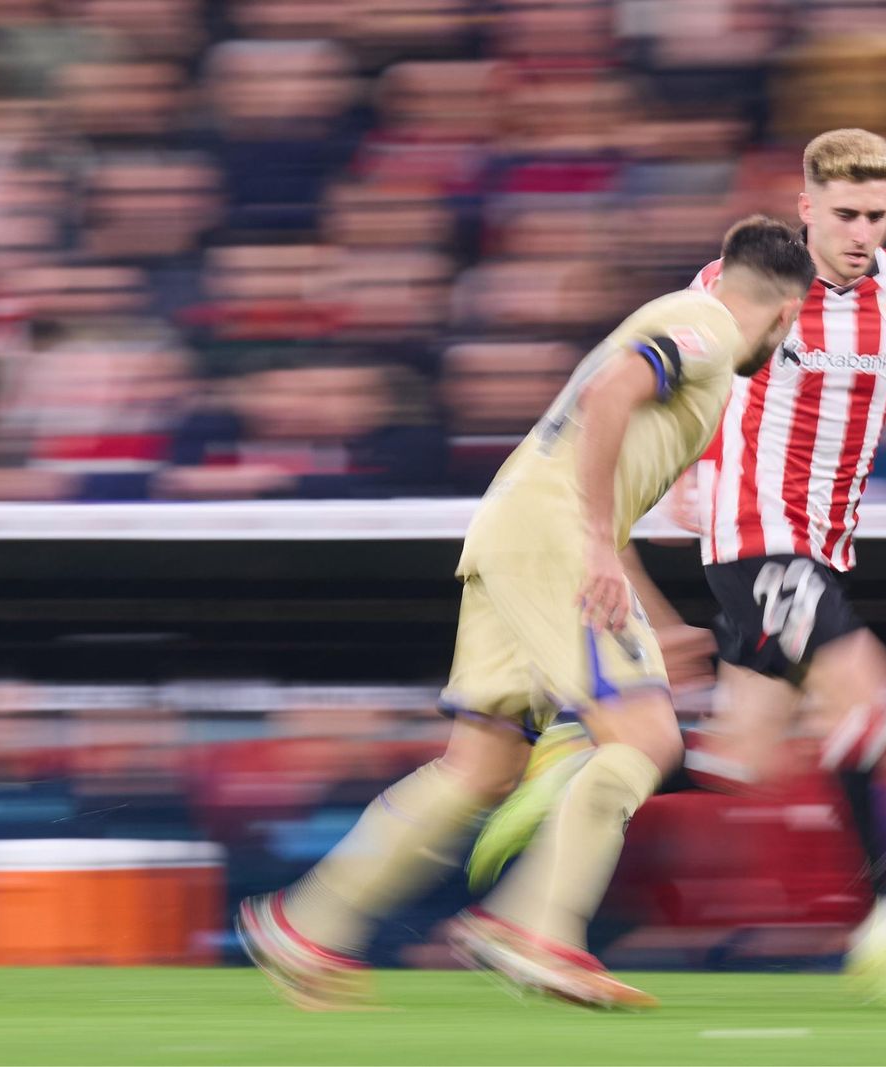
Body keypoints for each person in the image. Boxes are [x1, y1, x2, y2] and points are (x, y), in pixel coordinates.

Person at [236, 216, 815, 1010]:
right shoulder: (710, 331)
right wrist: (596, 550)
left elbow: (598, 468)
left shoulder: (690, 314)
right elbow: (614, 393)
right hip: (552, 538)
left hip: (512, 530)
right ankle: (536, 927)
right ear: (785, 315)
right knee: (647, 738)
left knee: (482, 766)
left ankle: (306, 924)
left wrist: (642, 598)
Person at [470, 128, 886, 1006]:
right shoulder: (740, 291)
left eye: (876, 215)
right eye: (844, 213)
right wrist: (688, 474)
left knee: (742, 760)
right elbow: (685, 370)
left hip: (821, 543)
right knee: (867, 686)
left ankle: (576, 760)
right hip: (754, 535)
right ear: (805, 209)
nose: (861, 232)